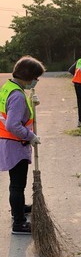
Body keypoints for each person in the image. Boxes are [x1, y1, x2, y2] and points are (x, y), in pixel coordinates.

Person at [0, 56, 45, 234]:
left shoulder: (10, 86)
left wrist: (31, 104)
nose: (36, 81)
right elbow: (12, 124)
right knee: (18, 185)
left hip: (9, 143)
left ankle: (19, 209)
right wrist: (31, 136)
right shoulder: (18, 95)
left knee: (16, 183)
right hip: (15, 144)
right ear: (29, 76)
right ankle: (19, 223)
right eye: (36, 77)